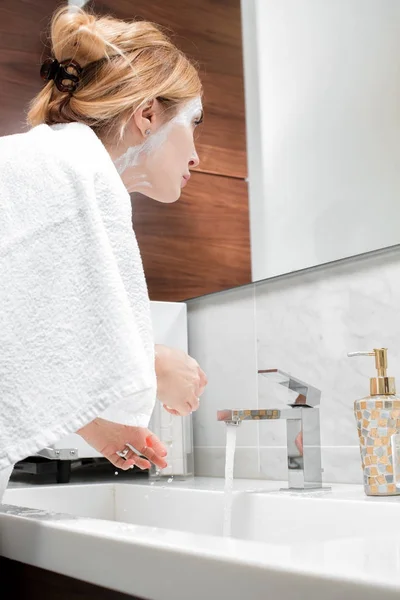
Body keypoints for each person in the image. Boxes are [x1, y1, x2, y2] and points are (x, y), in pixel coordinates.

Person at [0, 5, 207, 499]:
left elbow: (20, 326)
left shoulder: (49, 168)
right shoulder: (60, 170)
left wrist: (95, 423)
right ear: (148, 114)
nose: (197, 154)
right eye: (192, 123)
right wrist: (150, 365)